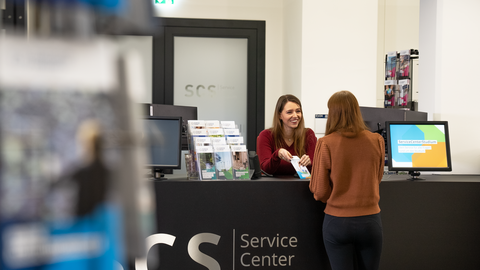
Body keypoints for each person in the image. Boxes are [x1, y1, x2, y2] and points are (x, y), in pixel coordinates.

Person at [309, 91, 385, 270]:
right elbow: (377, 177)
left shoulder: (326, 143)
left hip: (337, 222)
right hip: (370, 222)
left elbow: (320, 191)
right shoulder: (377, 140)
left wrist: (337, 197)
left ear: (333, 114)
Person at [256, 94, 317, 176]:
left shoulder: (309, 134)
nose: (295, 116)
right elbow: (265, 169)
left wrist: (309, 163)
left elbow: (316, 169)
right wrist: (277, 154)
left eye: (298, 111)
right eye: (289, 112)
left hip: (302, 186)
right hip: (272, 186)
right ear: (279, 115)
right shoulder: (266, 135)